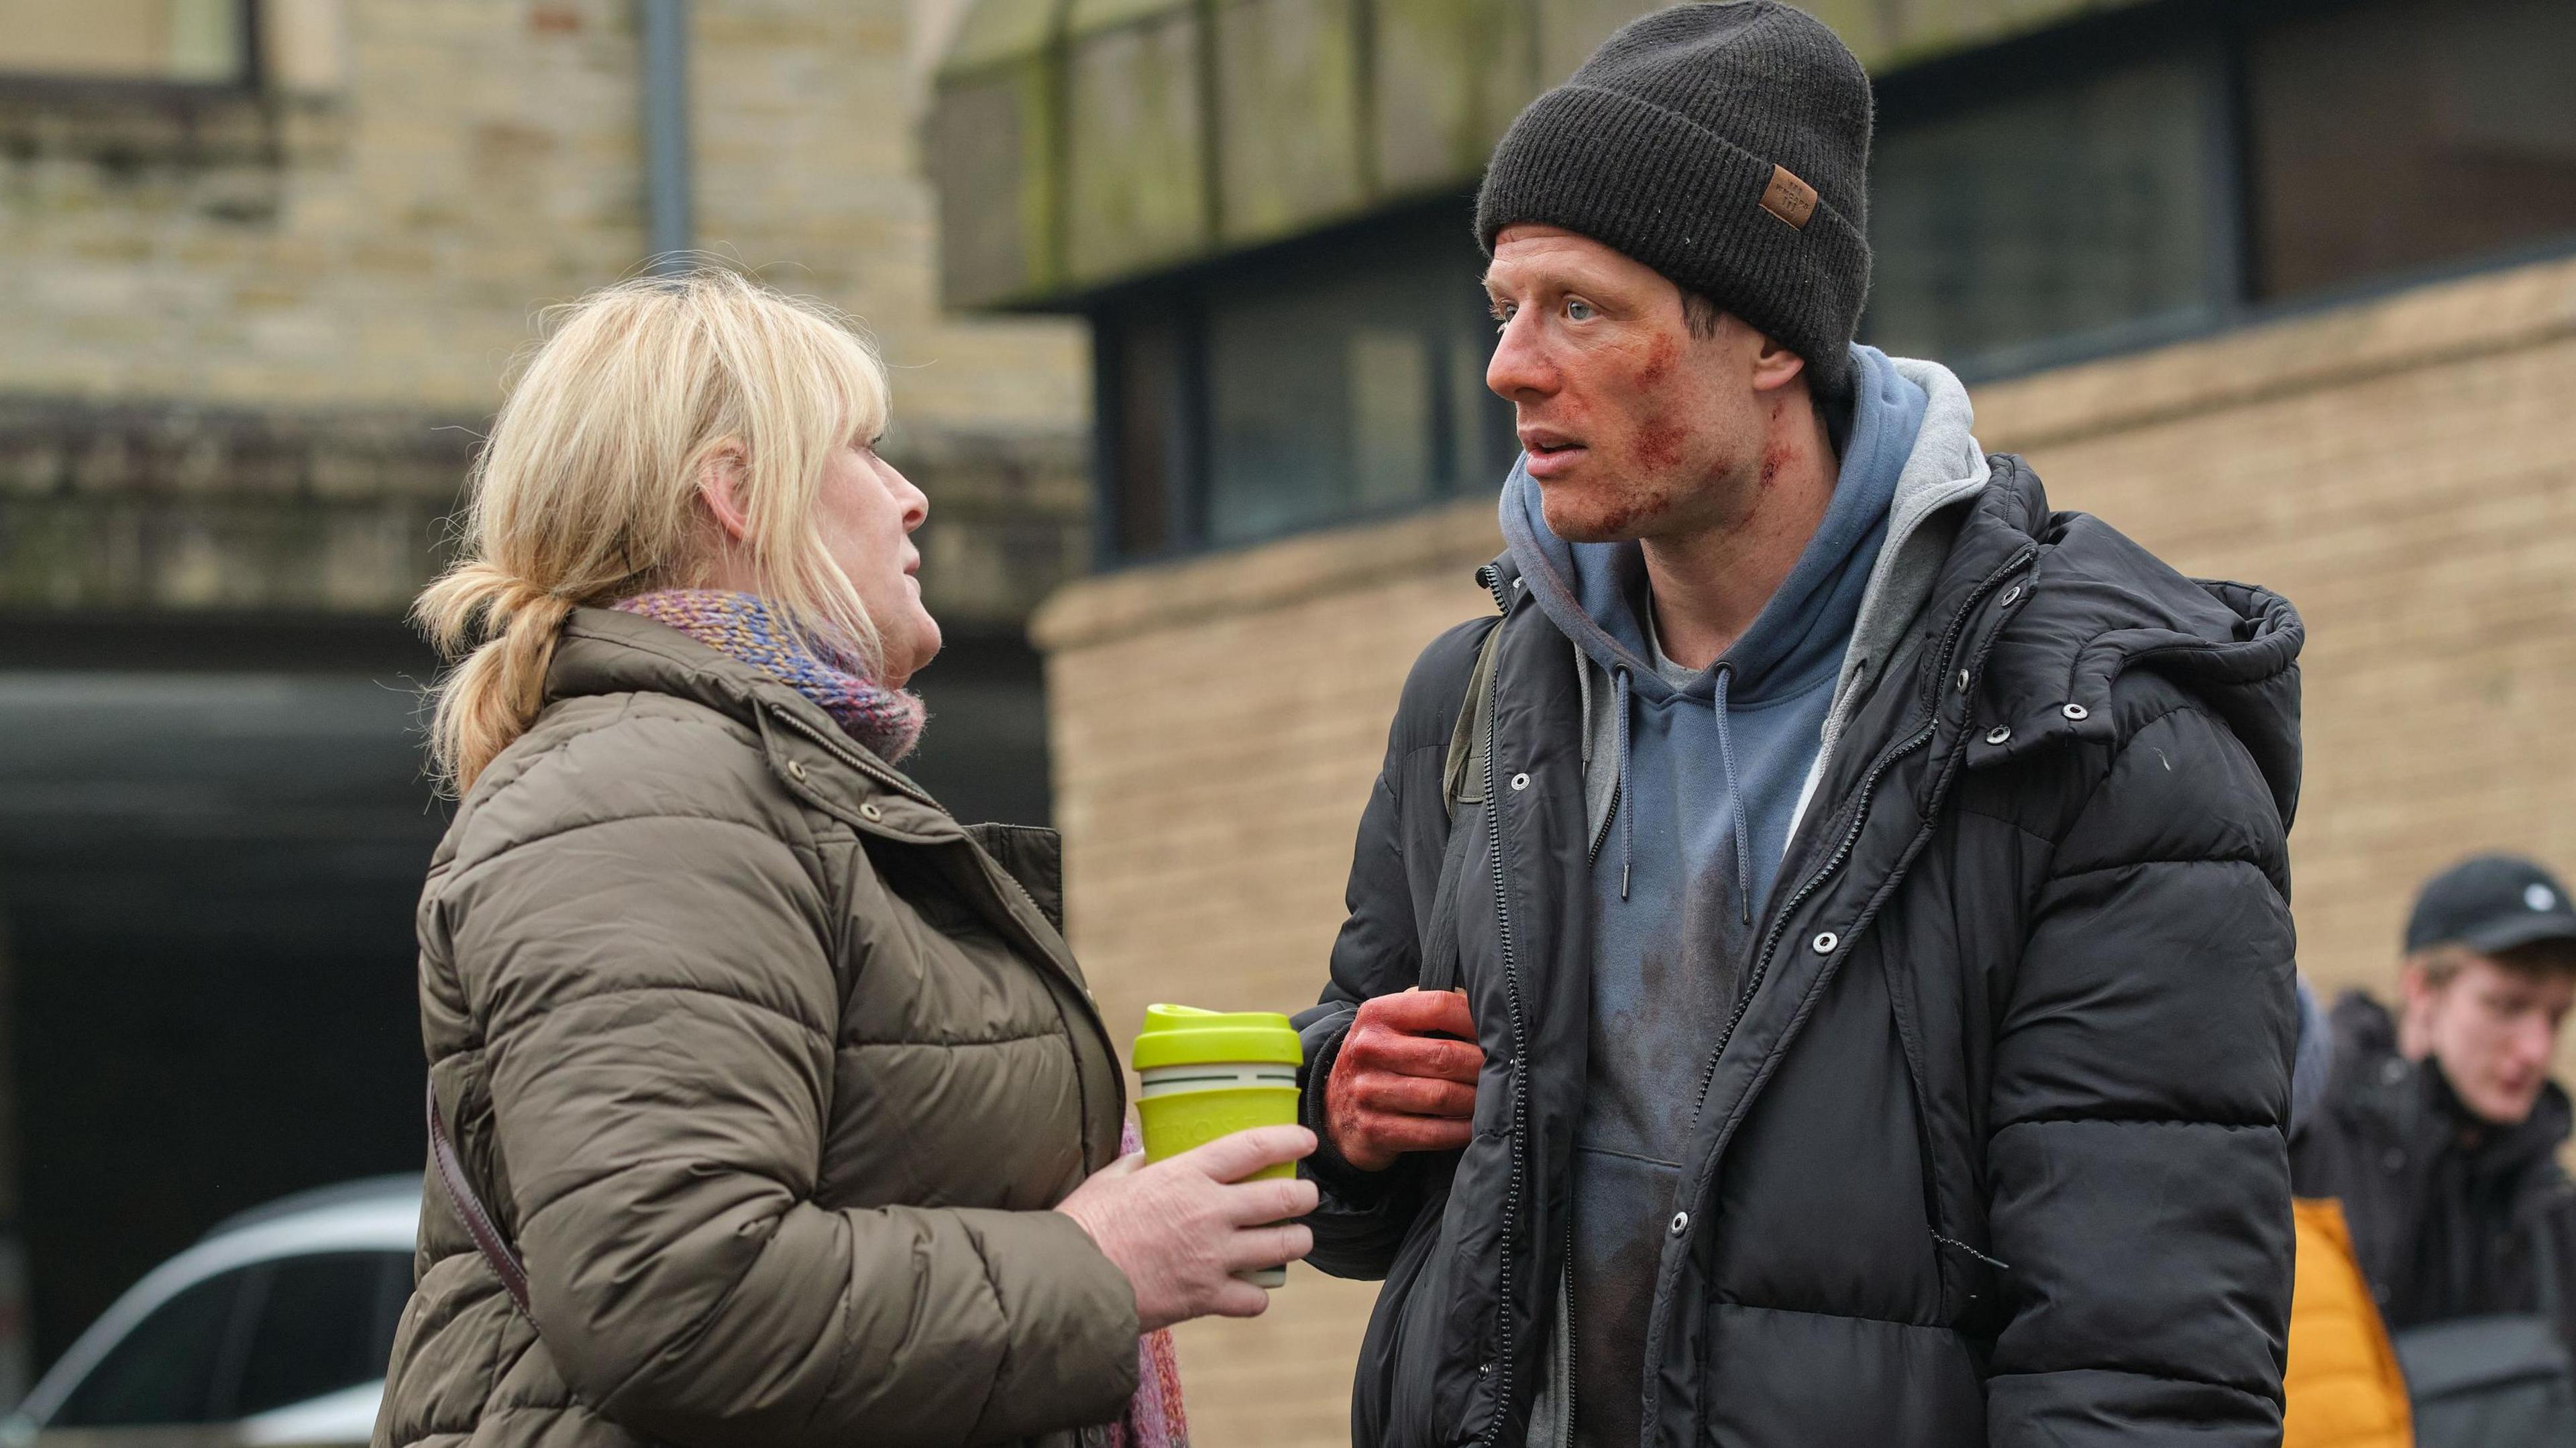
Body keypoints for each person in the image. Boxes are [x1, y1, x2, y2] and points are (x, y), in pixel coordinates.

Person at [1291, 5, 2304, 1445]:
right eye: (1504, 306)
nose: (1514, 364)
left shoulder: (2090, 733)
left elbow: (2144, 1361)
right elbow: (1380, 1186)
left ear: (1769, 336)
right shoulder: (1475, 697)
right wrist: (1344, 1103)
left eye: (1581, 308)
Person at [376, 270, 1317, 1448]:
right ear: (735, 490)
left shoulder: (732, 782)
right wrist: (1101, 1261)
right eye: (867, 451)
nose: (912, 499)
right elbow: (676, 1293)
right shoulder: (646, 795)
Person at [2293, 854, 2576, 1357]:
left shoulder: (2547, 1201)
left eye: (2556, 1016)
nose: (2536, 1049)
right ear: (2421, 988)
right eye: (2507, 1006)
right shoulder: (2309, 1138)